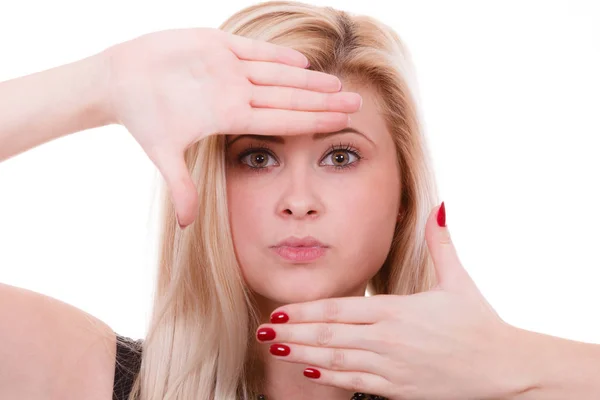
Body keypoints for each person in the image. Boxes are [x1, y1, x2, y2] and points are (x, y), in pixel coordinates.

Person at [1, 1, 599, 400]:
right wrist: (98, 86)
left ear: (404, 194)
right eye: (257, 156)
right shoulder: (89, 374)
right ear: (210, 186)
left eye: (340, 156)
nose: (299, 200)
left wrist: (517, 362)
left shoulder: (514, 382)